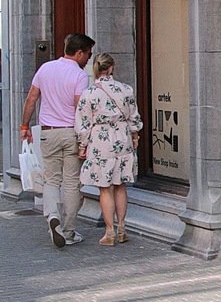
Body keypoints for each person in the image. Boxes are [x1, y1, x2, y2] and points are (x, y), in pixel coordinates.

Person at [19, 33, 95, 248]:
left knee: (51, 180)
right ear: (79, 52)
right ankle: (69, 231)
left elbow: (31, 98)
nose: (88, 59)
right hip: (70, 132)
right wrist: (86, 138)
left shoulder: (46, 69)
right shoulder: (79, 75)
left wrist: (25, 126)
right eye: (87, 54)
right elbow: (81, 108)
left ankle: (53, 217)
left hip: (48, 132)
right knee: (72, 182)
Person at [74, 53, 142, 247]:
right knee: (120, 185)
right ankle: (122, 227)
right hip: (122, 137)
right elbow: (134, 117)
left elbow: (84, 123)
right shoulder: (126, 89)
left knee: (105, 188)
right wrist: (135, 136)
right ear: (111, 68)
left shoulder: (89, 93)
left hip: (100, 141)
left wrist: (82, 145)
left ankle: (109, 231)